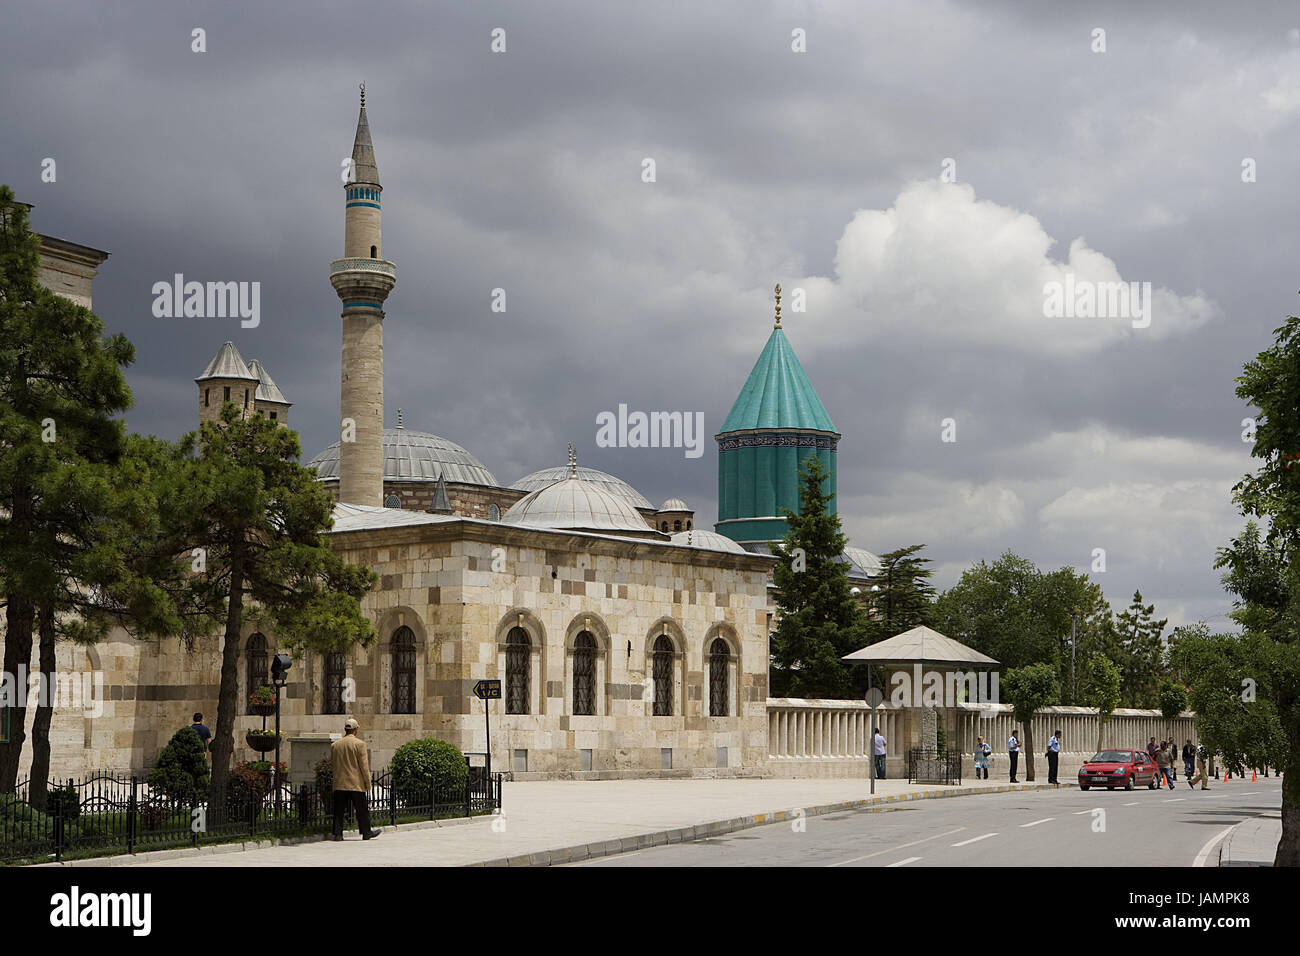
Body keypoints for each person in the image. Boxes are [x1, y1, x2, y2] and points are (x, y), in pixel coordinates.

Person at [331, 717, 381, 841]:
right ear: (356, 729)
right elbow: (364, 766)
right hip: (355, 783)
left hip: (340, 782)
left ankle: (338, 834)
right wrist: (367, 783)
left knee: (338, 810)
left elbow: (333, 764)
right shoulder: (359, 744)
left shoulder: (335, 745)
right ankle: (366, 832)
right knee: (362, 810)